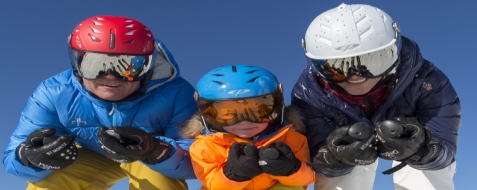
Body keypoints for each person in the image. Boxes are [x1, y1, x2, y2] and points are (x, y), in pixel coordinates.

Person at [3, 15, 198, 190]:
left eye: (129, 66)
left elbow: (195, 163)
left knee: (159, 183)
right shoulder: (54, 93)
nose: (111, 77)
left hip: (146, 159)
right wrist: (29, 158)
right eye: (95, 65)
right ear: (76, 64)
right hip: (91, 156)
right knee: (50, 183)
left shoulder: (176, 93)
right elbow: (12, 158)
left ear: (149, 66)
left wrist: (155, 150)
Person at [290, 3, 460, 190]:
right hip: (349, 142)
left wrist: (424, 149)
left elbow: (444, 147)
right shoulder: (310, 95)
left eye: (373, 60)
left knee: (423, 167)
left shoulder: (426, 82)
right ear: (317, 67)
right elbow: (320, 158)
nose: (356, 76)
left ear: (395, 52)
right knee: (341, 175)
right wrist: (334, 156)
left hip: (410, 136)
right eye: (338, 67)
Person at [180, 64, 315, 190]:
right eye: (229, 114)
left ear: (277, 107)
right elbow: (213, 185)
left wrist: (290, 169)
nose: (244, 122)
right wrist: (234, 174)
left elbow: (306, 179)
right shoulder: (205, 147)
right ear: (207, 115)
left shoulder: (291, 139)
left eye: (257, 112)